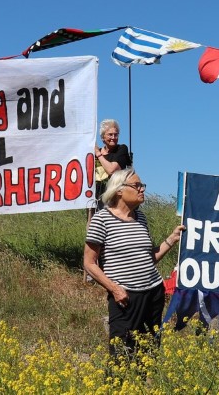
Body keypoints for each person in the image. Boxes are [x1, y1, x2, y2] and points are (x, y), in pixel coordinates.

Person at [84, 168, 185, 357]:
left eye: (142, 186)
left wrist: (171, 239)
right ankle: (118, 386)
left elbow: (149, 258)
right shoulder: (101, 220)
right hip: (125, 296)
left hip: (154, 292)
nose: (142, 190)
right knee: (121, 351)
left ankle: (144, 384)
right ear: (119, 190)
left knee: (149, 350)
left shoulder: (141, 218)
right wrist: (114, 289)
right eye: (137, 185)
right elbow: (89, 263)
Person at [91, 119, 132, 214]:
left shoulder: (121, 149)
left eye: (116, 134)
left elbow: (112, 170)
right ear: (102, 137)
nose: (113, 137)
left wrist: (98, 154)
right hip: (96, 198)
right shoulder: (93, 155)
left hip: (115, 198)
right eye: (110, 134)